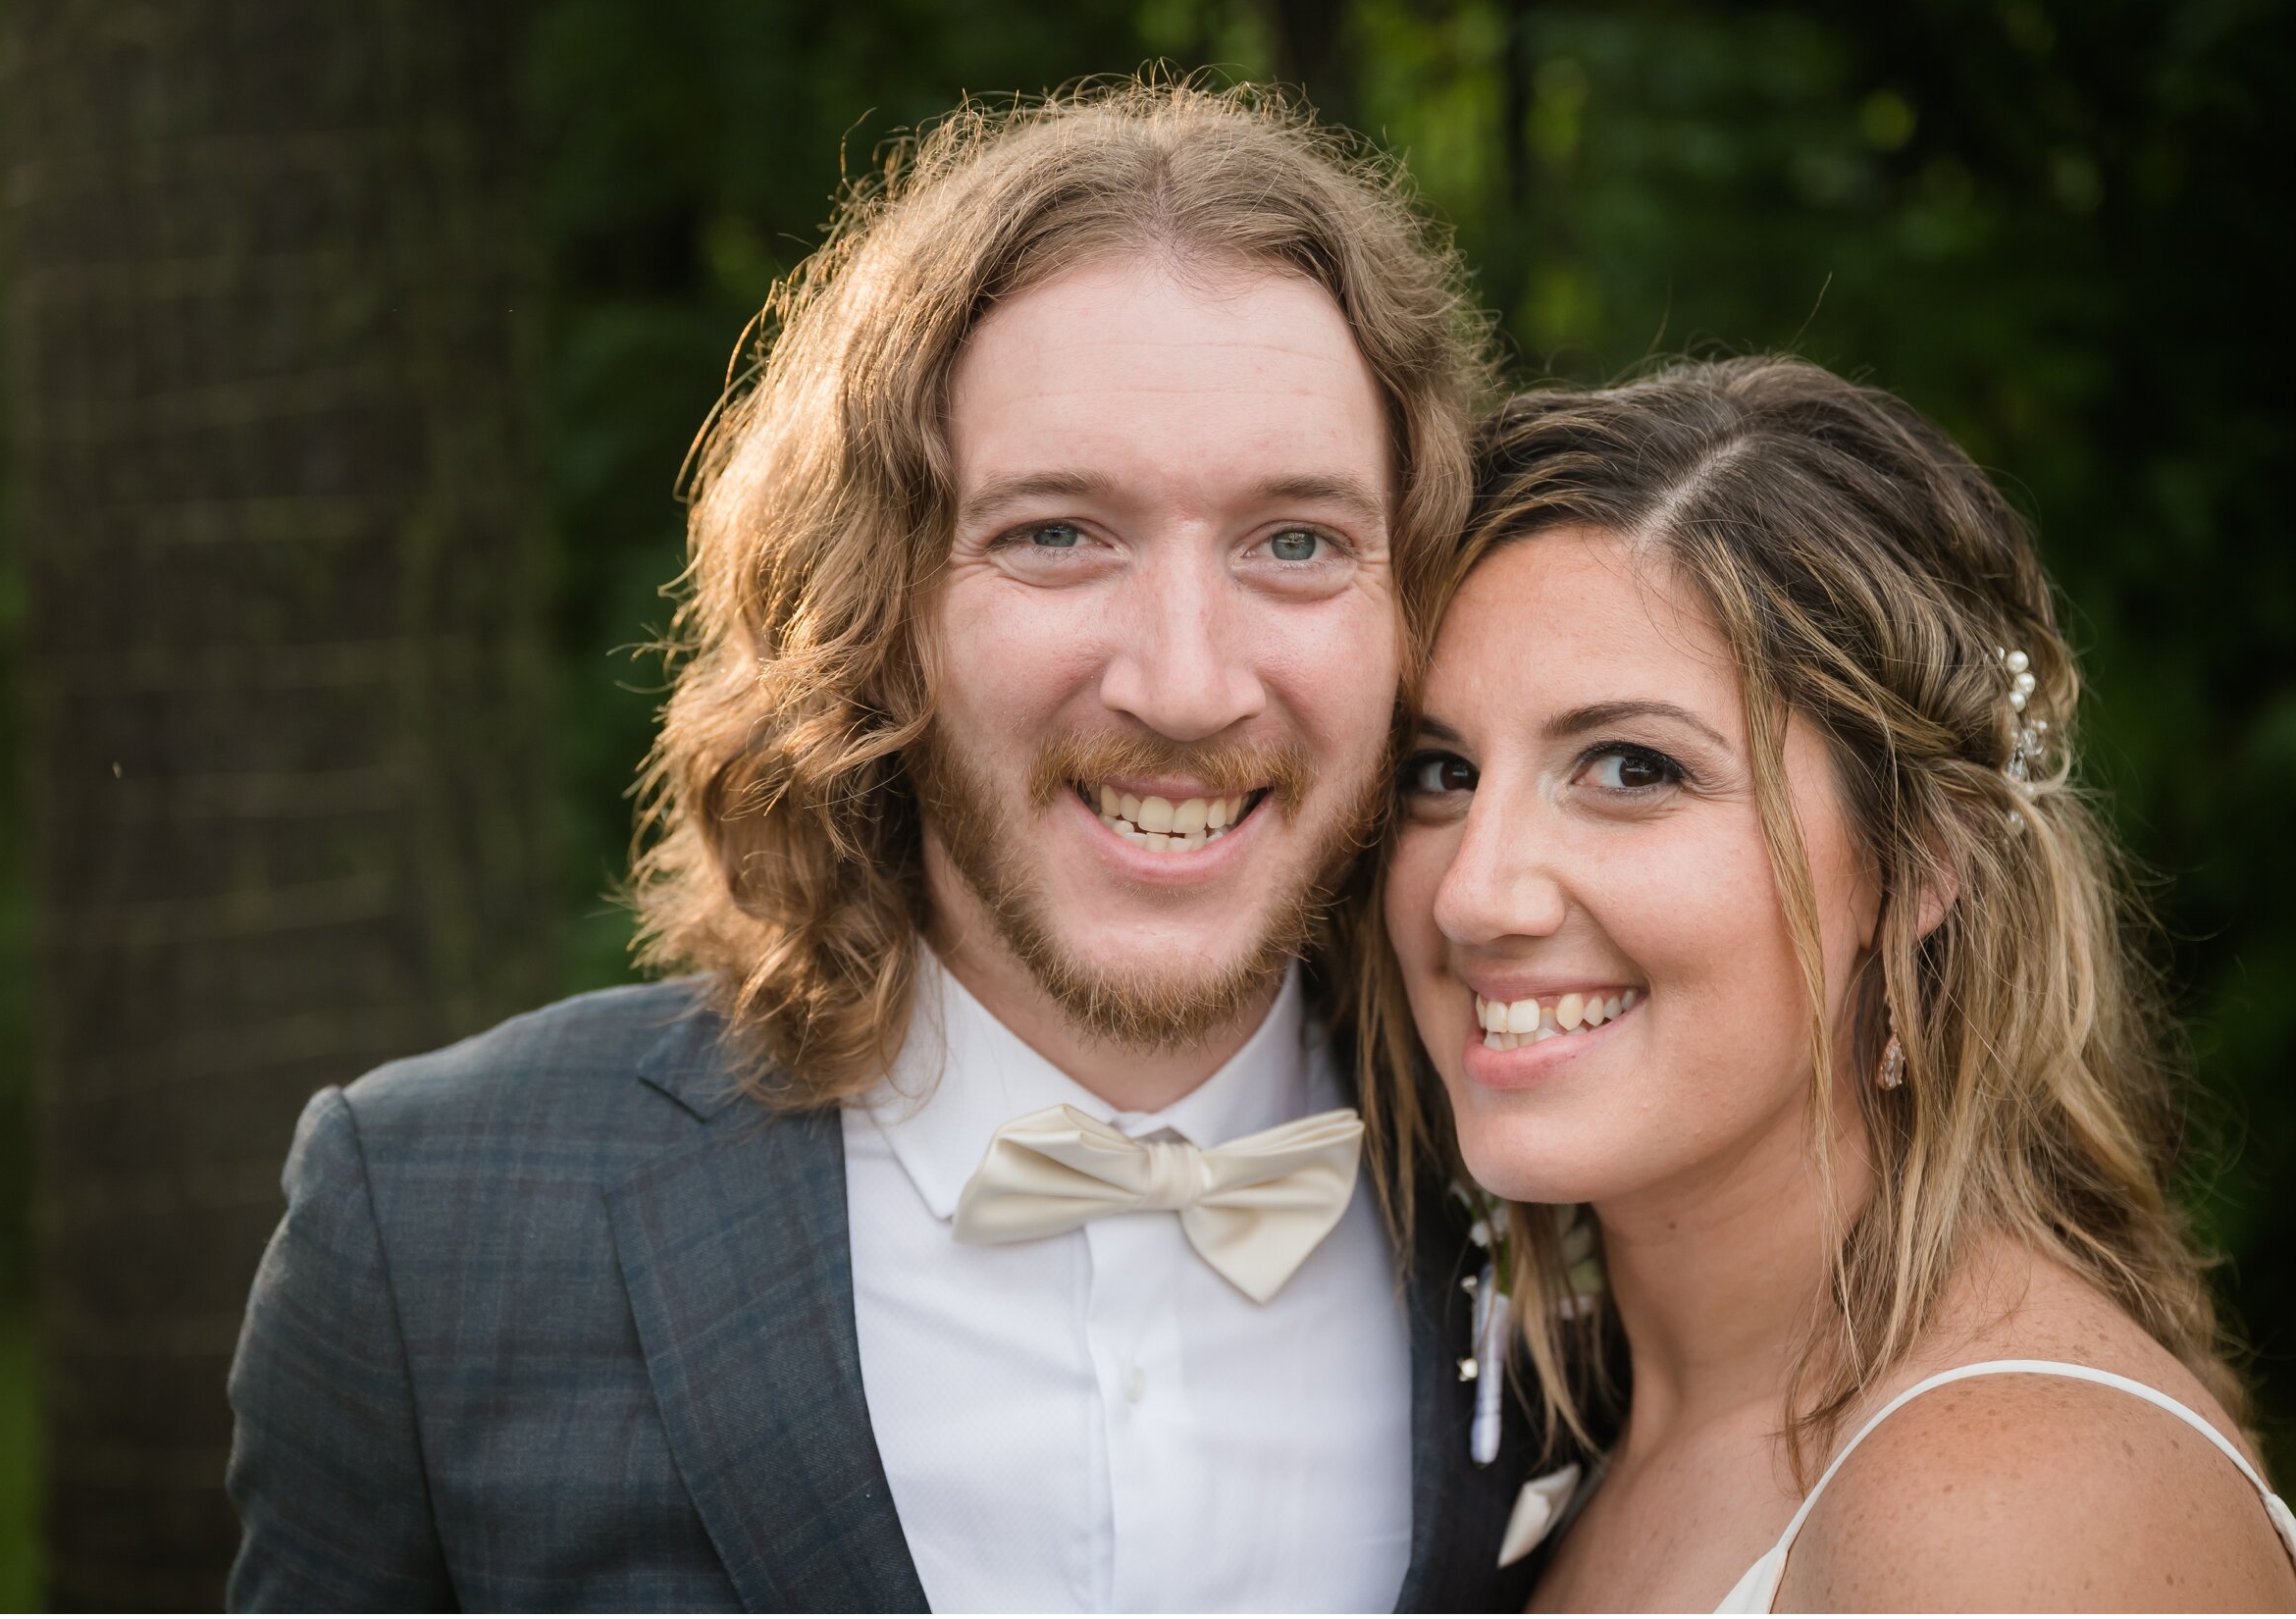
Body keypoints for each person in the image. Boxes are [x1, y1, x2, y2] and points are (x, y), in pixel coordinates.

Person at [225, 78, 1545, 1611]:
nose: (1186, 681)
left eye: (1297, 541)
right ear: (878, 612)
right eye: (1058, 532)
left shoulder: (1568, 1202)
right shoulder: (425, 1225)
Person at [1378, 357, 2296, 1611]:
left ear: (1916, 863)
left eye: (1630, 767)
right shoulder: (1586, 1429)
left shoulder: (2003, 1509)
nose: (1472, 893)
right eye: (1441, 773)